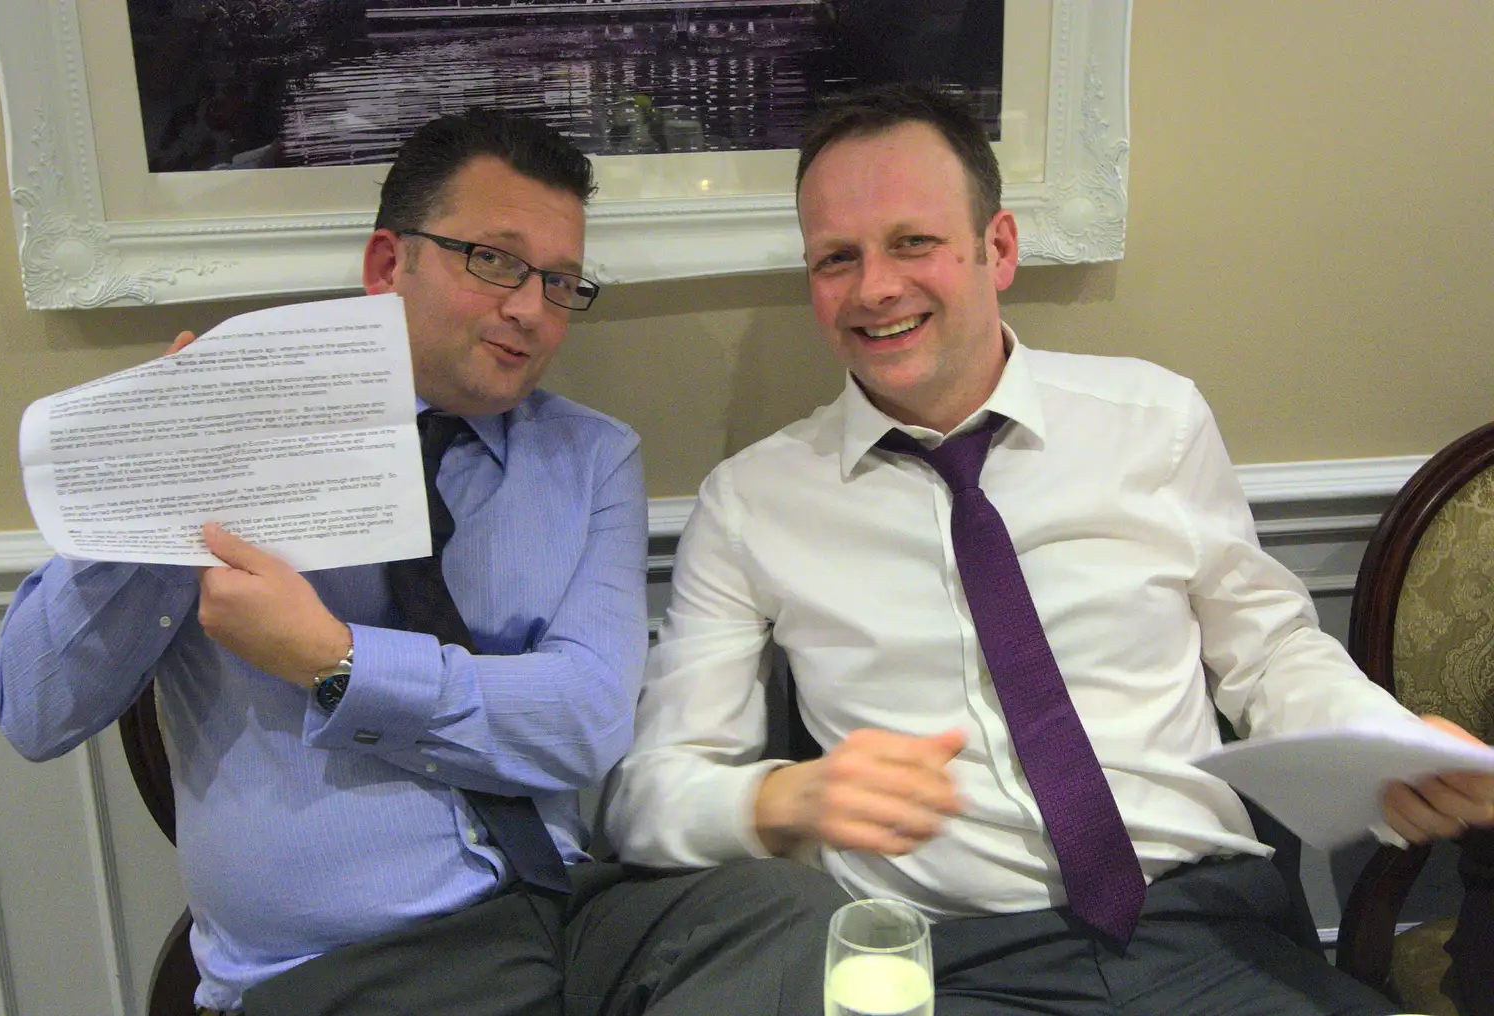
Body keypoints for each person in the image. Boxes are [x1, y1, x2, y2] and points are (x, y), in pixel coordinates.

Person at [605, 83, 1494, 1016]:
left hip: (1207, 933)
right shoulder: (753, 501)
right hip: (948, 965)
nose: (874, 287)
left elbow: (1270, 655)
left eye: (913, 241)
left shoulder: (1156, 420)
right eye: (836, 258)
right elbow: (650, 796)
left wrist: (1384, 741)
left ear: (999, 248)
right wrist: (781, 801)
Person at [0, 108, 844, 1016]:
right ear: (384, 267)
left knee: (790, 915)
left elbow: (587, 718)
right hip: (345, 961)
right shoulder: (243, 434)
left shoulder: (591, 458)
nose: (530, 308)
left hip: (562, 912)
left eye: (561, 281)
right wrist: (172, 477)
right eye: (494, 260)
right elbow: (35, 710)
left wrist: (336, 663)